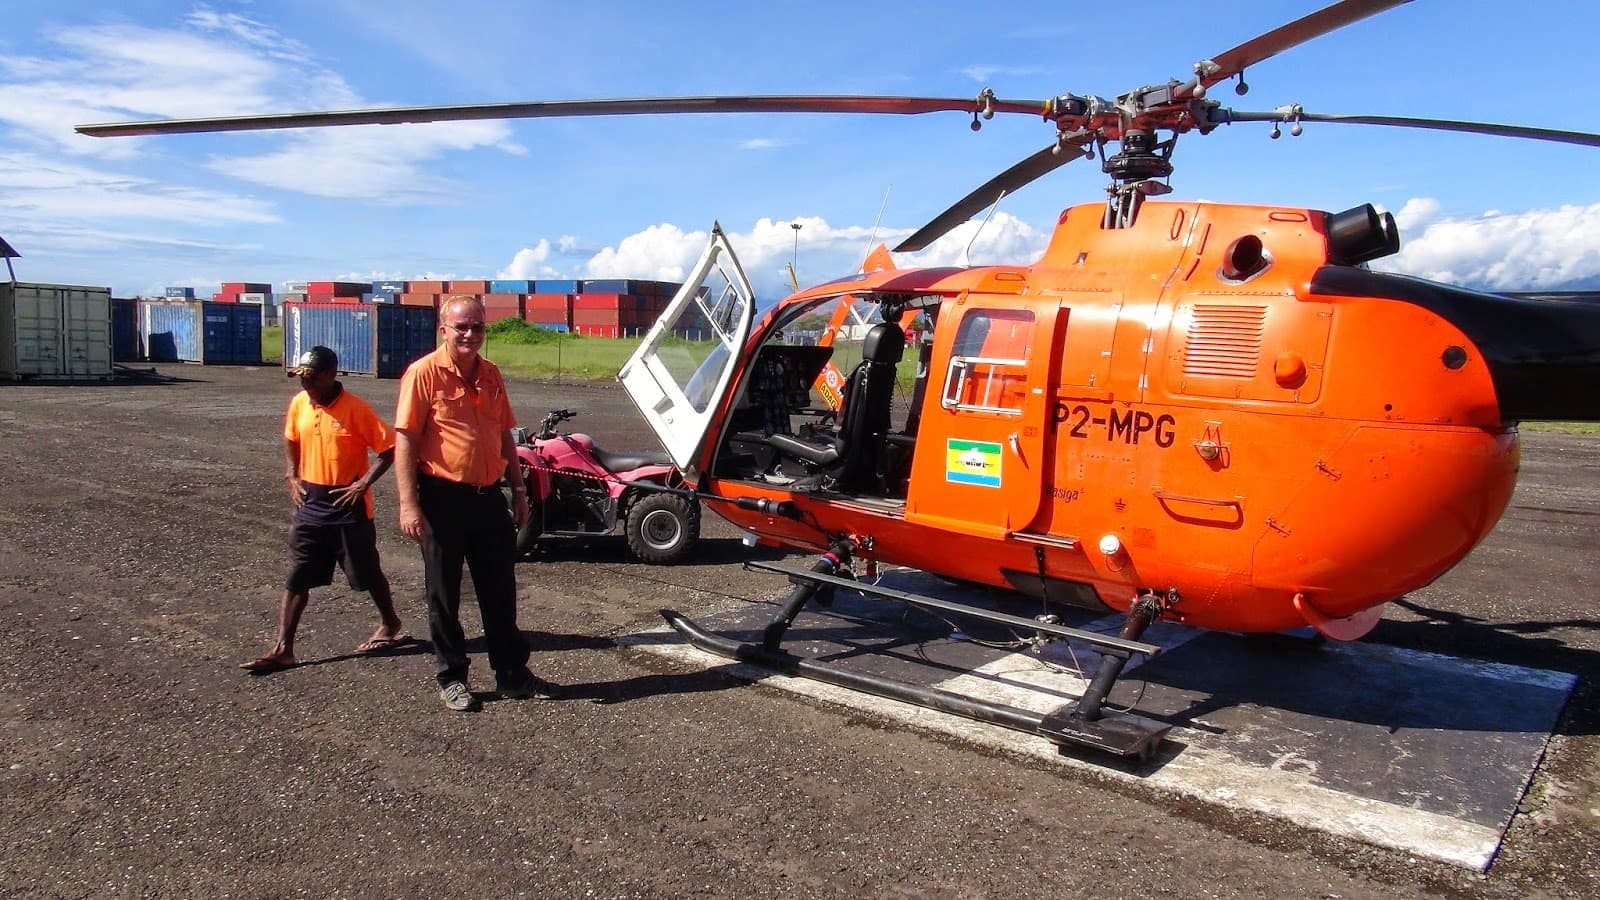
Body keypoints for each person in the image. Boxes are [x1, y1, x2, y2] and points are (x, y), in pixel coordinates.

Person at [394, 296, 547, 711]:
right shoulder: (423, 374)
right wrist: (409, 504)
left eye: (477, 327)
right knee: (443, 594)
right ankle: (452, 677)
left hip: (487, 499)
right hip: (442, 499)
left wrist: (518, 490)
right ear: (443, 329)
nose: (469, 335)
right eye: (461, 327)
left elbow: (504, 438)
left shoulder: (491, 375)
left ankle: (512, 674)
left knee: (500, 591)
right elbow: (405, 440)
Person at [242, 345, 408, 674]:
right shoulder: (299, 404)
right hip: (310, 506)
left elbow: (390, 449)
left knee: (366, 574)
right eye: (301, 377)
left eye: (311, 378)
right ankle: (283, 649)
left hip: (348, 507)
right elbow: (291, 438)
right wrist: (291, 473)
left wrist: (363, 484)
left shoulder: (356, 409)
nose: (305, 384)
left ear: (331, 375)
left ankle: (390, 622)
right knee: (297, 576)